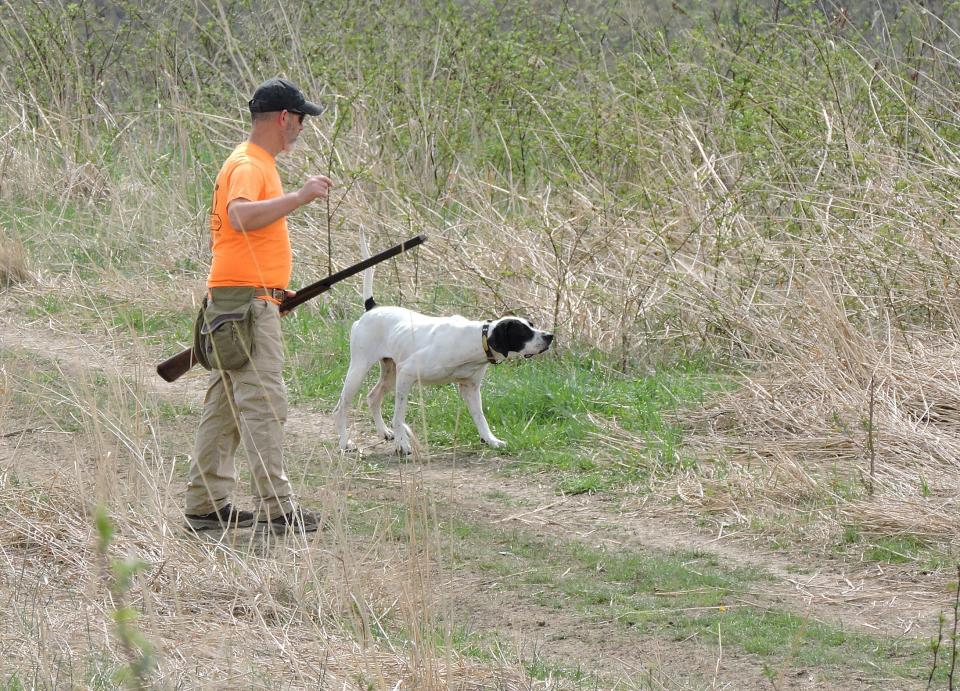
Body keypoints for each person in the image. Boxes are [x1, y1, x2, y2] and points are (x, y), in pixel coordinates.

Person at [183, 77, 333, 534]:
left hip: (240, 298)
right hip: (243, 304)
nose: (303, 127)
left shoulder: (251, 161)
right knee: (264, 402)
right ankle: (277, 508)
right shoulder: (251, 163)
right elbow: (240, 216)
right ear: (285, 117)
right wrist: (301, 197)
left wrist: (270, 290)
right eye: (302, 118)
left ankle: (206, 505)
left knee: (227, 404)